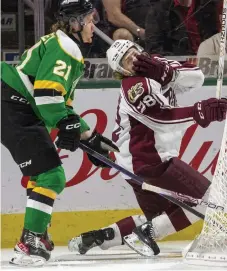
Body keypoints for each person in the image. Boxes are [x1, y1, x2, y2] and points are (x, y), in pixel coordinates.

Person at [68, 39, 227, 256]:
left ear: (141, 50)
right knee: (208, 200)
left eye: (133, 53)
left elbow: (197, 77)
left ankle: (103, 236)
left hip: (135, 165)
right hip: (149, 161)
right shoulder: (134, 85)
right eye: (126, 61)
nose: (133, 60)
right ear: (122, 71)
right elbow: (160, 117)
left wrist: (168, 73)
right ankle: (146, 234)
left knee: (164, 216)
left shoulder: (157, 64)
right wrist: (199, 111)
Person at [1, 0, 118, 266]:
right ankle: (29, 242)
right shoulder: (67, 47)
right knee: (51, 175)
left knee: (44, 173)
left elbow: (59, 104)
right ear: (74, 23)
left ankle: (35, 234)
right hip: (13, 104)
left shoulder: (60, 43)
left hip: (13, 103)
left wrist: (92, 138)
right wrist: (68, 125)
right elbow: (47, 97)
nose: (93, 26)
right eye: (90, 20)